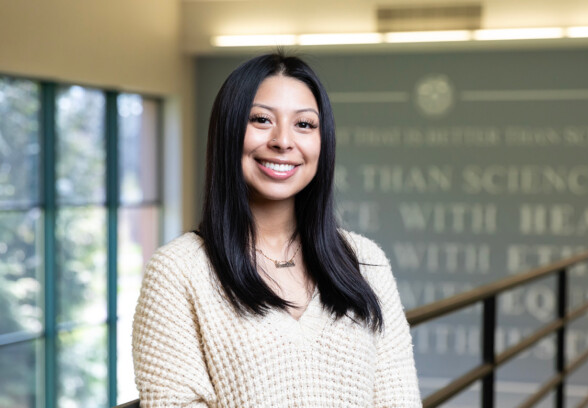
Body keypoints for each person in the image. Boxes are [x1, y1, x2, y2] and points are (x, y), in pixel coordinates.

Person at [132, 53, 422, 407]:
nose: (283, 141)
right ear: (227, 132)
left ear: (323, 142)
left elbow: (399, 398)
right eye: (261, 119)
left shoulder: (365, 260)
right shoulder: (177, 271)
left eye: (304, 125)